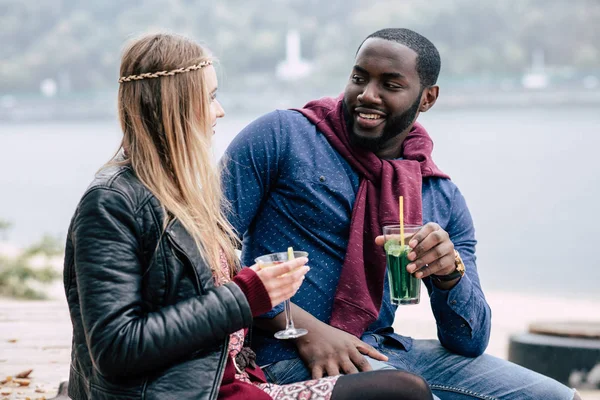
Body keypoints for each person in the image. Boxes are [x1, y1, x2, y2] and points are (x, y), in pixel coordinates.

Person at [63, 32, 434, 400]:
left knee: (403, 388)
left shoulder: (178, 192)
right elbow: (114, 348)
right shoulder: (111, 202)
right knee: (402, 393)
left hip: (232, 381)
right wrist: (245, 296)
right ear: (176, 105)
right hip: (188, 393)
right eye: (210, 97)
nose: (219, 110)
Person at [221, 28, 581, 399]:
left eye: (390, 85)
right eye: (359, 78)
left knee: (556, 396)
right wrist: (306, 328)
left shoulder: (440, 195)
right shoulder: (282, 136)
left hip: (385, 348)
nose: (368, 95)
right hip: (282, 352)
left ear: (427, 98)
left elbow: (470, 341)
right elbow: (202, 249)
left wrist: (448, 274)